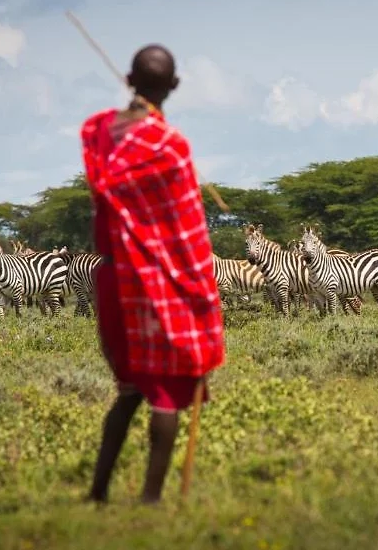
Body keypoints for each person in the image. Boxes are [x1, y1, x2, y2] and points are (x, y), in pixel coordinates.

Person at [81, 44, 225, 505]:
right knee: (164, 390)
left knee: (128, 390)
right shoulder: (170, 144)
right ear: (175, 85)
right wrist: (202, 288)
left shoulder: (103, 131)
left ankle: (98, 493)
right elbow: (187, 231)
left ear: (128, 80)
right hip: (158, 279)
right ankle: (150, 500)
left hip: (114, 277)